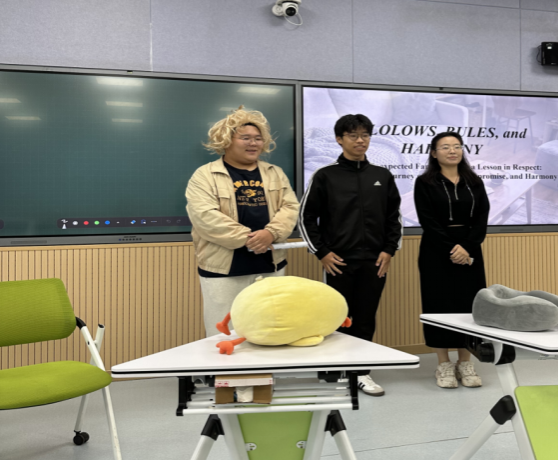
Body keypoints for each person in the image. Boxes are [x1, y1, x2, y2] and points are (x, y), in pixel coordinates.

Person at [299, 114, 403, 397]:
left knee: (366, 317)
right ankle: (336, 369)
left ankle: (360, 371)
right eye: (353, 135)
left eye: (365, 135)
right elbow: (306, 217)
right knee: (337, 316)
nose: (360, 140)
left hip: (375, 261)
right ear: (339, 139)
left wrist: (389, 250)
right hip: (338, 262)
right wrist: (322, 252)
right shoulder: (325, 176)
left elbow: (394, 218)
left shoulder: (382, 176)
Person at [186, 106, 299, 336]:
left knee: (269, 331)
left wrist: (271, 233)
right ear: (227, 140)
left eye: (258, 138)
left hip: (270, 266)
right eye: (245, 138)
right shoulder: (205, 175)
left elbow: (290, 207)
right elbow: (204, 216)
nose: (253, 143)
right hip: (223, 269)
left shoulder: (274, 172)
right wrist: (250, 239)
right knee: (223, 334)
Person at [414, 132, 490, 389]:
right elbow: (427, 220)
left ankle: (465, 362)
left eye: (457, 146)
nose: (452, 150)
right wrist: (452, 248)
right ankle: (444, 363)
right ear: (434, 153)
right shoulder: (424, 182)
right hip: (436, 250)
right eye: (445, 147)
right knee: (438, 305)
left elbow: (482, 218)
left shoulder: (474, 181)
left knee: (468, 305)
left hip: (470, 249)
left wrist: (466, 247)